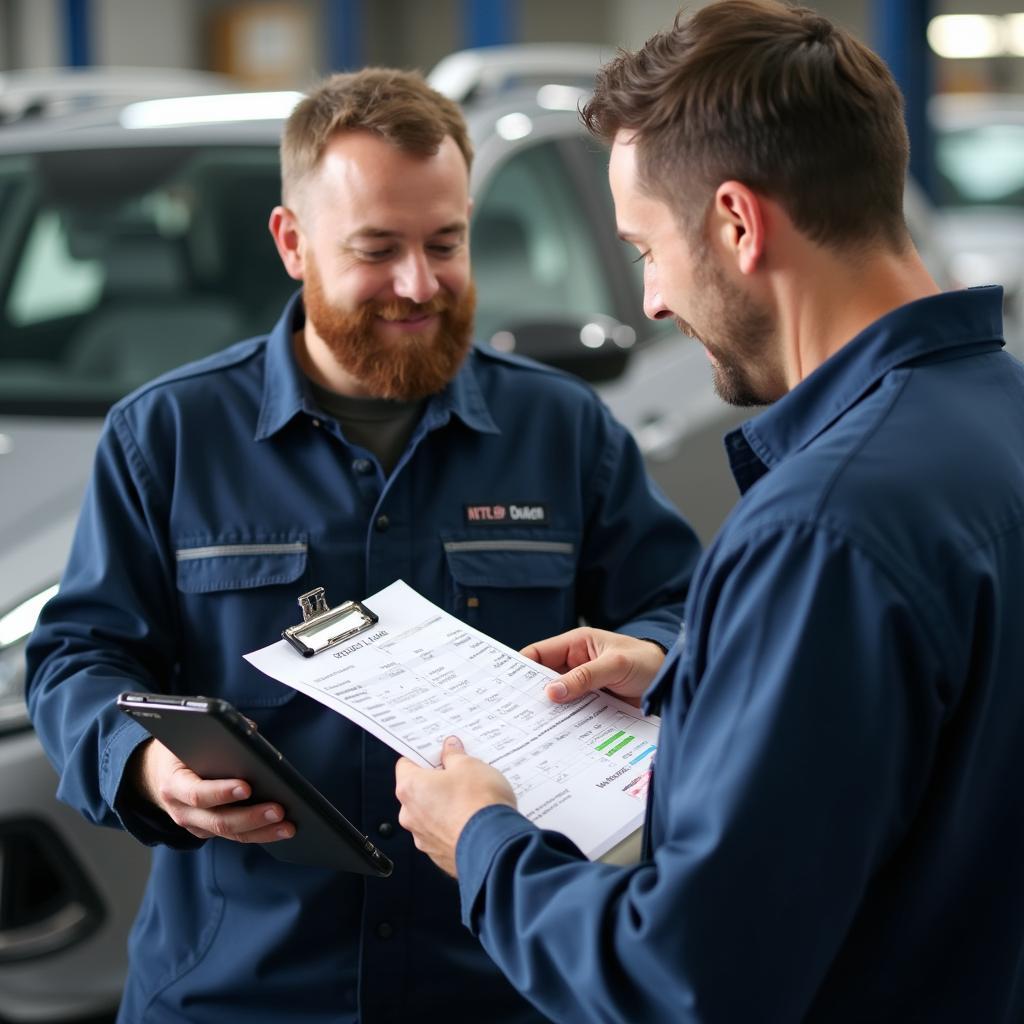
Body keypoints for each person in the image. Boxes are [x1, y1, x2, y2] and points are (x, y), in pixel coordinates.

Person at [25, 69, 701, 1023]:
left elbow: (685, 612)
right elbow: (77, 656)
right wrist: (143, 764)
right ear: (292, 243)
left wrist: (654, 652)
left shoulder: (563, 430)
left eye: (447, 243)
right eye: (378, 249)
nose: (419, 285)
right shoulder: (168, 437)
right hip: (240, 991)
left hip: (496, 982)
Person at [395, 3, 1024, 1022]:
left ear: (736, 223)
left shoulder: (820, 528)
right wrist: (706, 673)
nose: (647, 301)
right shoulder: (997, 416)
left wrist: (483, 843)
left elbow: (686, 980)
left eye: (645, 249)